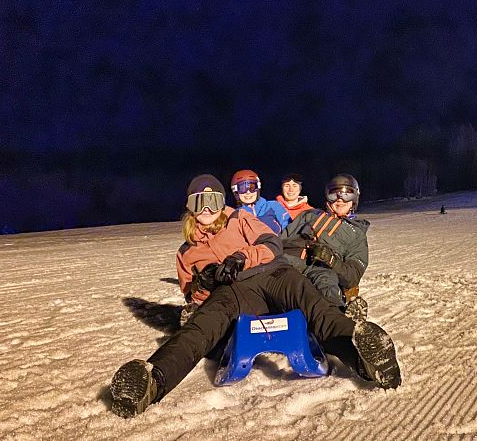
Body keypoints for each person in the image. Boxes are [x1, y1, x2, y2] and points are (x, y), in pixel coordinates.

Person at [109, 173, 401, 418]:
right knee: (200, 328)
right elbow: (192, 296)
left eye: (213, 199)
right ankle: (153, 381)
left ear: (222, 201)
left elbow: (272, 242)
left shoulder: (239, 220)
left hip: (272, 275)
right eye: (200, 201)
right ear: (190, 207)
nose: (207, 207)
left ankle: (364, 357)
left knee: (316, 308)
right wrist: (205, 282)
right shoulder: (186, 252)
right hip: (233, 293)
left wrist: (241, 257)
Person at [281, 174, 369, 319]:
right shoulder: (309, 215)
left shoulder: (357, 234)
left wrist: (331, 259)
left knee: (326, 288)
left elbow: (353, 275)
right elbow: (281, 239)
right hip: (289, 262)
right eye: (334, 194)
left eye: (347, 195)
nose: (340, 199)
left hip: (322, 271)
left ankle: (341, 323)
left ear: (354, 200)